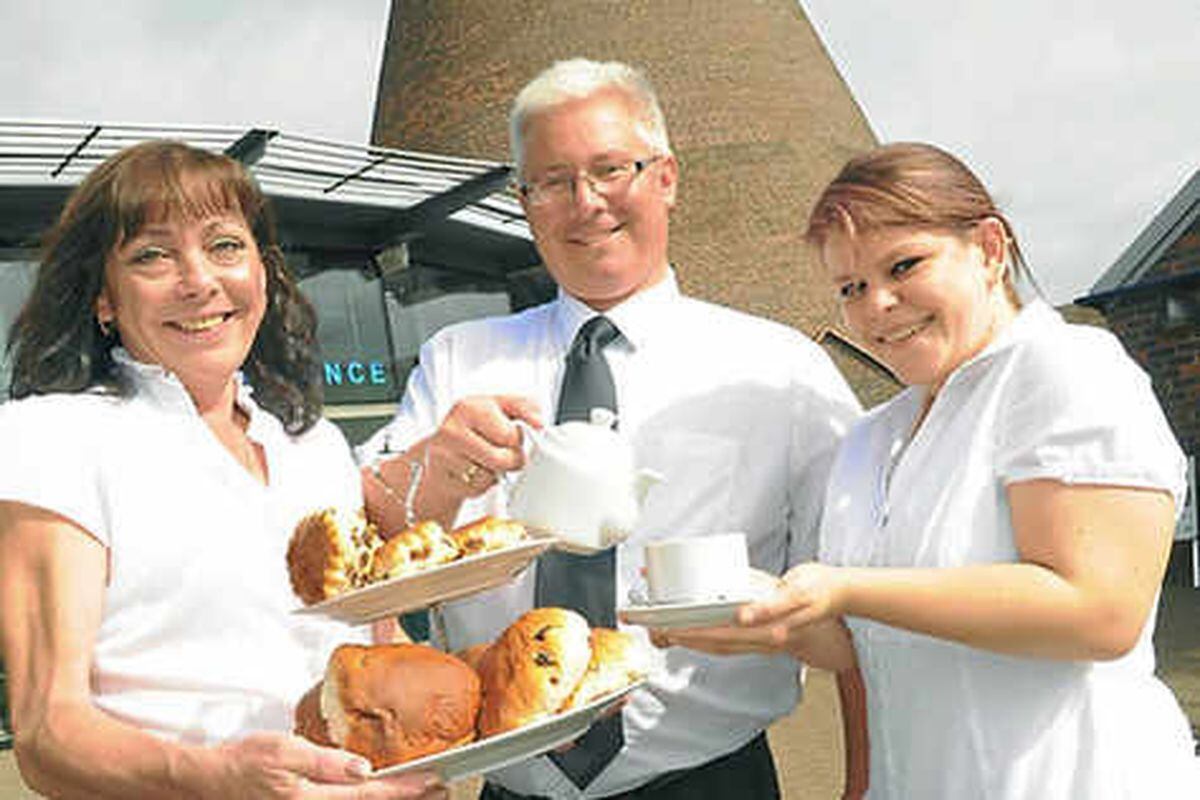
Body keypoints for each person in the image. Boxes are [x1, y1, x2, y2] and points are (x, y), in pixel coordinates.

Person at [358, 59, 864, 799]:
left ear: (666, 178)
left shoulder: (780, 371)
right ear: (526, 203)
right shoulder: (457, 358)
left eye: (609, 170)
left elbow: (862, 598)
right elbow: (373, 549)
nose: (585, 203)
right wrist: (435, 467)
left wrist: (864, 783)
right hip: (512, 787)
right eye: (553, 182)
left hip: (708, 783)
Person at [665, 141, 1200, 797]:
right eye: (851, 288)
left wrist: (842, 589)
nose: (877, 305)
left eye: (904, 265)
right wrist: (773, 621)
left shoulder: (1062, 369)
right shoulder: (870, 438)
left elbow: (1100, 612)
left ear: (988, 248)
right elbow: (871, 651)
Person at [0, 141, 443, 799]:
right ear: (103, 299)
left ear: (263, 274)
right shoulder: (52, 438)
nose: (199, 280)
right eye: (151, 255)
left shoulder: (314, 445)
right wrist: (213, 777)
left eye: (225, 246)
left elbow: (376, 643)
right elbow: (47, 731)